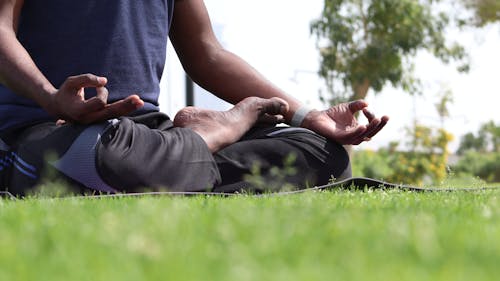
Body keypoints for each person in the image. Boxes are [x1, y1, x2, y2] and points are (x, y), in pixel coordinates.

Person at [0, 0, 388, 196]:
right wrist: (51, 97)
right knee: (96, 159)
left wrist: (306, 116)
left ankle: (183, 158)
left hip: (147, 136)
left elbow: (207, 53)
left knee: (321, 154)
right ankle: (198, 147)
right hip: (53, 128)